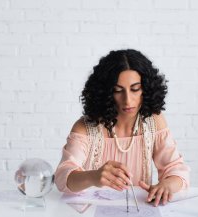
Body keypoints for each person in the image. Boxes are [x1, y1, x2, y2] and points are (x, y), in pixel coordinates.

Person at [54, 49, 190, 206]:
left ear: (146, 89)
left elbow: (177, 170)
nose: (128, 100)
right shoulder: (85, 128)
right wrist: (94, 177)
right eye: (118, 90)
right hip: (91, 216)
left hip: (139, 213)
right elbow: (62, 177)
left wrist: (167, 185)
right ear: (106, 93)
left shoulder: (154, 122)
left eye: (135, 89)